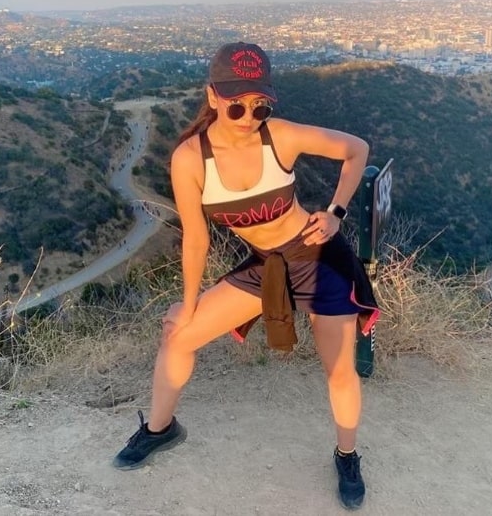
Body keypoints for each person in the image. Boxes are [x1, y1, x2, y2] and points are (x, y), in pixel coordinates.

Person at [113, 41, 379, 511]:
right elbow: (196, 239)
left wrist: (336, 211)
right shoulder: (191, 158)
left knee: (338, 371)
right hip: (265, 267)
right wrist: (188, 304)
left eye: (259, 105)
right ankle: (160, 428)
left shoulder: (280, 136)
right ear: (212, 96)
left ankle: (346, 454)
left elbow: (356, 151)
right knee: (179, 336)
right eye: (236, 104)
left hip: (318, 257)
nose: (248, 116)